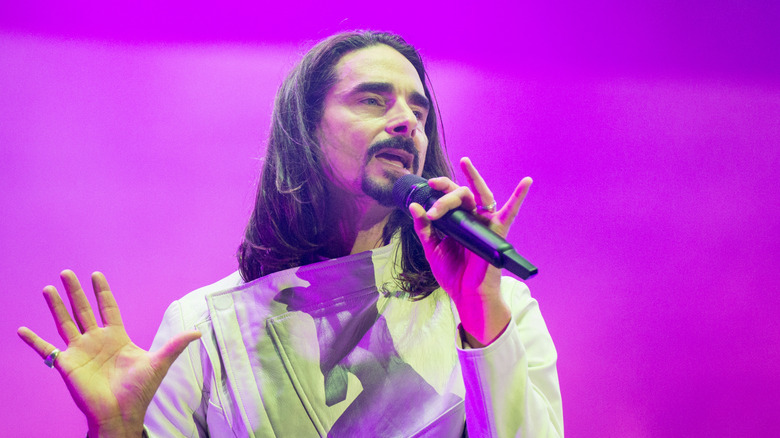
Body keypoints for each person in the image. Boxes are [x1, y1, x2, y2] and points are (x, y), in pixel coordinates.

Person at [17, 31, 563, 437]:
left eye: (418, 109)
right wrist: (114, 431)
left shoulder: (496, 306)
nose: (407, 121)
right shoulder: (202, 326)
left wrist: (483, 320)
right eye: (373, 99)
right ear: (304, 128)